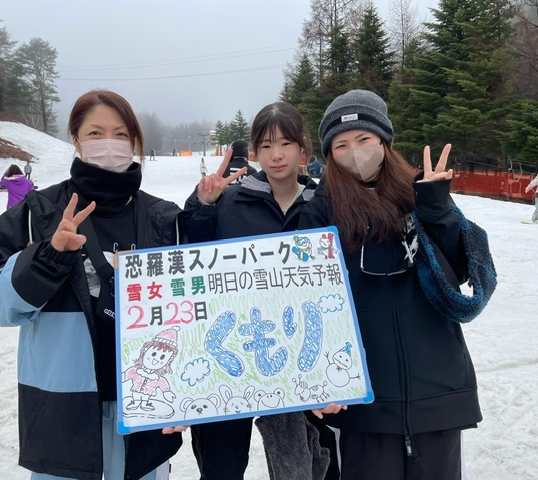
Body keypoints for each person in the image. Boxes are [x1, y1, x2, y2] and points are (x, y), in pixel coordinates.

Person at [0, 89, 185, 480]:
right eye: (95, 133)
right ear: (75, 139)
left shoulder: (163, 218)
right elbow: (4, 307)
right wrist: (50, 255)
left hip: (145, 407)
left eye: (120, 133)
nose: (109, 143)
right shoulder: (34, 215)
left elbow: (187, 314)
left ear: (135, 141)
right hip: (62, 409)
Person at [299, 89, 496, 479]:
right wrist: (321, 379)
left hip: (435, 392)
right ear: (329, 155)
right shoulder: (319, 212)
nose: (354, 151)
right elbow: (309, 301)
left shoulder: (420, 196)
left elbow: (458, 276)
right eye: (341, 145)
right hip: (363, 400)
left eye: (364, 139)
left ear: (384, 142)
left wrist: (437, 209)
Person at [185, 102, 342, 480]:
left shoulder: (324, 203)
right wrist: (203, 205)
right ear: (254, 151)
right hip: (235, 347)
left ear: (302, 151)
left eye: (286, 143)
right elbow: (192, 260)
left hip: (303, 344)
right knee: (222, 459)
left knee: (311, 458)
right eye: (267, 144)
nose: (276, 154)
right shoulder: (230, 201)